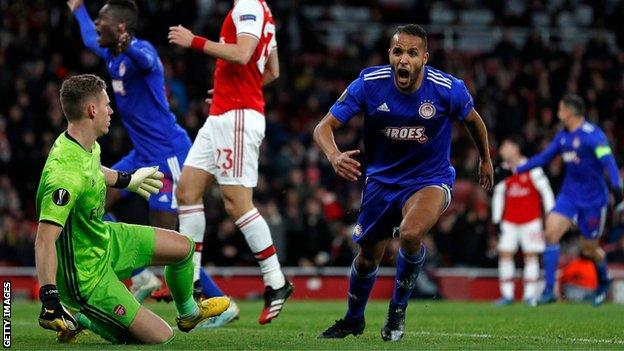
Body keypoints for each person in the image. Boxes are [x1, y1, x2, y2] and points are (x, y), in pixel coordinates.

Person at [313, 24, 493, 341]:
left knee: (410, 233)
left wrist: (485, 158)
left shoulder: (447, 88)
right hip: (381, 182)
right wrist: (333, 155)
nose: (404, 60)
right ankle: (354, 319)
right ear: (390, 55)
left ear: (424, 57)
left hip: (430, 179)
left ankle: (397, 310)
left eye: (412, 53)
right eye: (398, 52)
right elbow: (323, 127)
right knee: (368, 256)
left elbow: (474, 121)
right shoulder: (370, 83)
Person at [67, 0, 238, 324]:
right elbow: (91, 38)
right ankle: (143, 275)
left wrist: (127, 44)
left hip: (168, 154)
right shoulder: (111, 55)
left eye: (102, 18)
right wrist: (78, 9)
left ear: (120, 27)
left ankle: (219, 302)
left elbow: (146, 60)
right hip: (141, 153)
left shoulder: (141, 52)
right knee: (92, 203)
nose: (97, 22)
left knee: (168, 239)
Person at [35, 74, 230, 344]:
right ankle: (79, 315)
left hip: (105, 238)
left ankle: (189, 313)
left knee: (183, 247)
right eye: (106, 104)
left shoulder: (82, 143)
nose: (111, 110)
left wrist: (128, 180)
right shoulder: (64, 175)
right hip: (85, 276)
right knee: (160, 336)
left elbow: (92, 171)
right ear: (91, 110)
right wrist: (49, 297)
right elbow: (44, 239)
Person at [167, 0, 292, 325]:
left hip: (237, 117)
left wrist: (194, 40)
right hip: (223, 112)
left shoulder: (248, 5)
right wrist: (227, 89)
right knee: (187, 191)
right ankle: (191, 282)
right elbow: (273, 70)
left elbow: (242, 53)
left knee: (237, 203)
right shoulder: (262, 10)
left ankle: (276, 281)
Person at [497, 94, 623, 306]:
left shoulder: (593, 136)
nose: (558, 114)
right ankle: (548, 290)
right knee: (551, 233)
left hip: (593, 200)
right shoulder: (562, 136)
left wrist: (617, 188)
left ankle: (603, 281)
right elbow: (544, 158)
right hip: (569, 196)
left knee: (589, 248)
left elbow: (608, 161)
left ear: (570, 113)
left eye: (560, 110)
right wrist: (515, 170)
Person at [491, 136, 555, 306]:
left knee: (531, 256)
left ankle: (529, 296)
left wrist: (551, 214)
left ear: (516, 148)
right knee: (505, 254)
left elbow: (546, 191)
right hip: (509, 221)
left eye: (506, 146)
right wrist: (496, 221)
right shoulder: (503, 169)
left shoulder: (531, 167)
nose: (502, 150)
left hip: (531, 221)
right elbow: (498, 196)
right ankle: (507, 296)